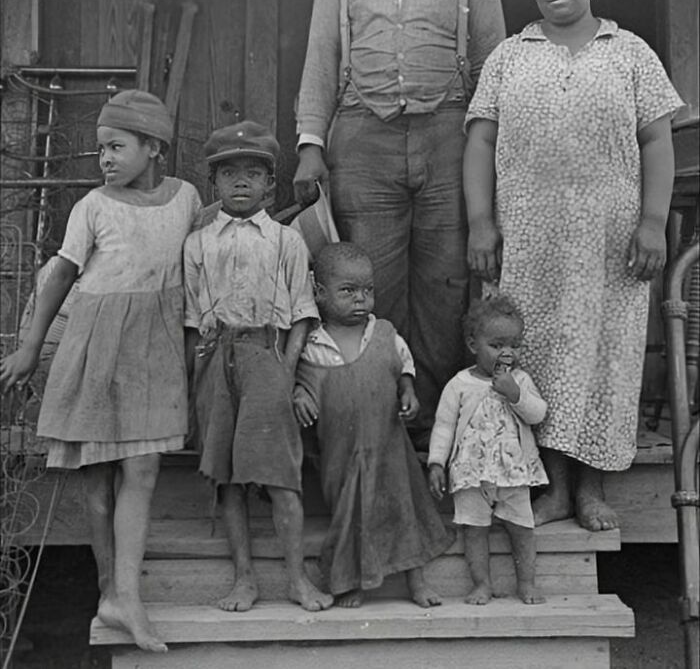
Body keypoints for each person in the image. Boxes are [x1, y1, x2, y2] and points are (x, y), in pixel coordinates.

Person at [463, 0, 683, 531]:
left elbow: (657, 139)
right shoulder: (510, 56)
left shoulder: (630, 52)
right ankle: (552, 487)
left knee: (602, 355)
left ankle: (592, 488)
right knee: (528, 354)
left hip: (610, 238)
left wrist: (653, 223)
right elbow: (481, 140)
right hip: (528, 237)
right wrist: (482, 221)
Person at [293, 0, 506, 446]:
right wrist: (311, 142)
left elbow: (496, 60)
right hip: (362, 134)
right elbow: (320, 59)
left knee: (446, 284)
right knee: (368, 280)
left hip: (450, 134)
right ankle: (375, 422)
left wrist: (493, 152)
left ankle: (441, 427)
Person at [0, 90, 202, 652]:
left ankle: (127, 596)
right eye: (99, 150)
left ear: (154, 148)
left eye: (116, 147)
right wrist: (28, 347)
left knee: (143, 470)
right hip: (94, 345)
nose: (105, 159)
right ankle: (108, 589)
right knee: (97, 482)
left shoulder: (185, 198)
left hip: (155, 347)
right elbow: (61, 277)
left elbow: (192, 265)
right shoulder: (92, 206)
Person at [184, 121, 333, 614]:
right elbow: (191, 317)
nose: (241, 182)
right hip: (214, 357)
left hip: (267, 355)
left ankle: (296, 579)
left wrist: (284, 372)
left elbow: (302, 314)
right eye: (229, 174)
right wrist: (195, 379)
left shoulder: (286, 242)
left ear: (271, 183)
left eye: (253, 173)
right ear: (214, 184)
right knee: (227, 477)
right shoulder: (199, 243)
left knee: (280, 474)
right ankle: (244, 578)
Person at [293, 242, 451, 608]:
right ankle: (351, 580)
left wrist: (409, 392)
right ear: (319, 294)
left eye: (368, 290)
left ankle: (417, 582)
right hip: (342, 457)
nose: (361, 300)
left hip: (389, 448)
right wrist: (301, 396)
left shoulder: (383, 333)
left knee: (404, 510)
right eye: (347, 291)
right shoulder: (313, 344)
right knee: (352, 519)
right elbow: (305, 384)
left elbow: (403, 368)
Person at [428, 296, 548, 605]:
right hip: (471, 474)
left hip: (514, 473)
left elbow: (537, 414)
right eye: (497, 345)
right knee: (474, 530)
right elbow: (444, 426)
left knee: (522, 528)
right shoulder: (460, 384)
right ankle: (482, 584)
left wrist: (515, 394)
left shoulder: (520, 380)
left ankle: (527, 583)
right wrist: (437, 463)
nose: (507, 353)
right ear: (473, 344)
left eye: (515, 345)